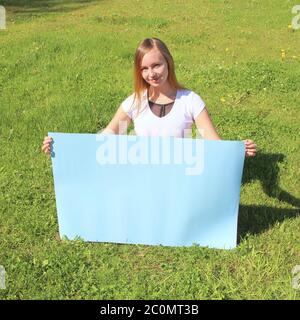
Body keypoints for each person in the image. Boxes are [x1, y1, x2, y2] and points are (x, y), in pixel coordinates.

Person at [42, 38, 257, 156]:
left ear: (168, 63)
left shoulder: (190, 100)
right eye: (144, 68)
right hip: (142, 177)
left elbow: (213, 143)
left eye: (156, 65)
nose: (151, 73)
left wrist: (238, 151)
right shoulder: (135, 102)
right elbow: (107, 136)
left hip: (180, 177)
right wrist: (63, 146)